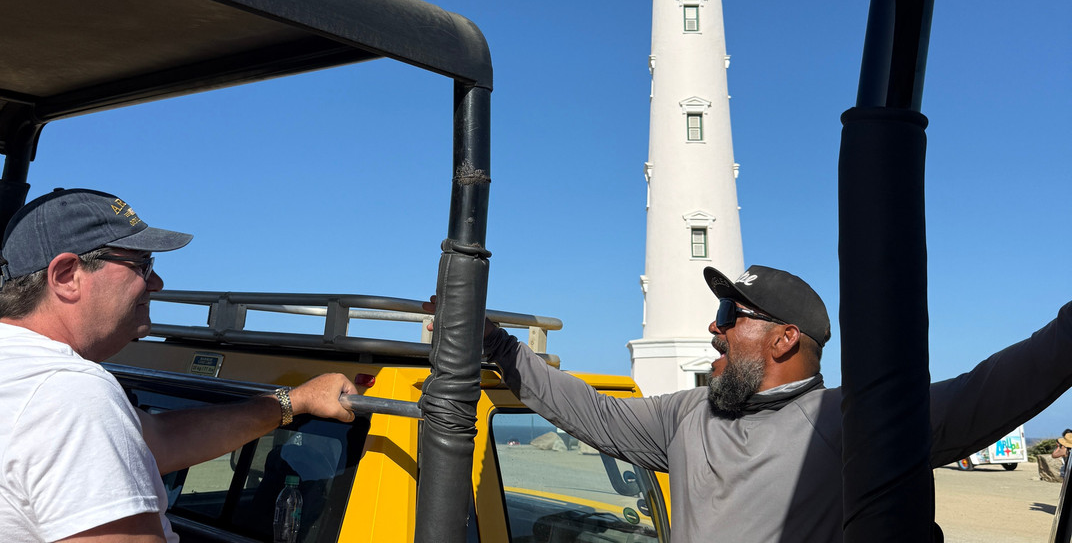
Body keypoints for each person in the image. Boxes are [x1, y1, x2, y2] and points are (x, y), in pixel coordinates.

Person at [429, 264, 1072, 543]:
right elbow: (592, 412)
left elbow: (991, 391)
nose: (715, 327)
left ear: (785, 339)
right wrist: (499, 345)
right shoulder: (687, 415)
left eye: (731, 313)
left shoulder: (847, 422)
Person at [0, 188, 360, 543]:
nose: (156, 282)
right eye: (141, 264)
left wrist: (293, 402)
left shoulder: (15, 370)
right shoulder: (68, 392)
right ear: (66, 276)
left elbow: (159, 440)